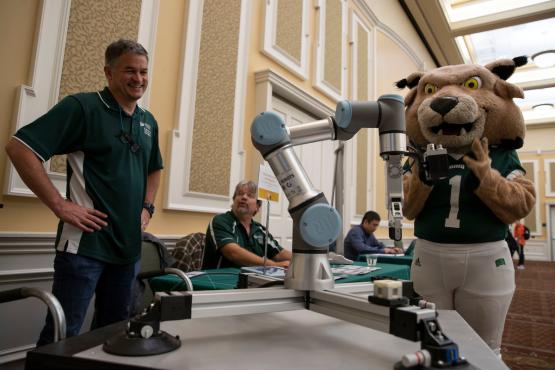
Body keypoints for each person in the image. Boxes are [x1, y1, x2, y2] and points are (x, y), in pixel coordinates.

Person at [5, 39, 163, 345]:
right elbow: (20, 148)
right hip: (83, 248)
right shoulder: (83, 107)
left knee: (116, 335)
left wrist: (147, 208)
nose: (139, 78)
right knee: (62, 335)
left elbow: (154, 168)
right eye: (130, 70)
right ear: (109, 73)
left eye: (144, 71)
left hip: (128, 250)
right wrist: (60, 205)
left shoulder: (148, 122)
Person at [202, 180, 292, 269]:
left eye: (250, 195)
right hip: (218, 281)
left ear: (258, 206)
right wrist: (273, 265)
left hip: (250, 282)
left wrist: (302, 259)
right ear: (234, 201)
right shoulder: (220, 221)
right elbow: (233, 253)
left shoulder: (260, 230)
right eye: (240, 194)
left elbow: (280, 253)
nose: (244, 197)